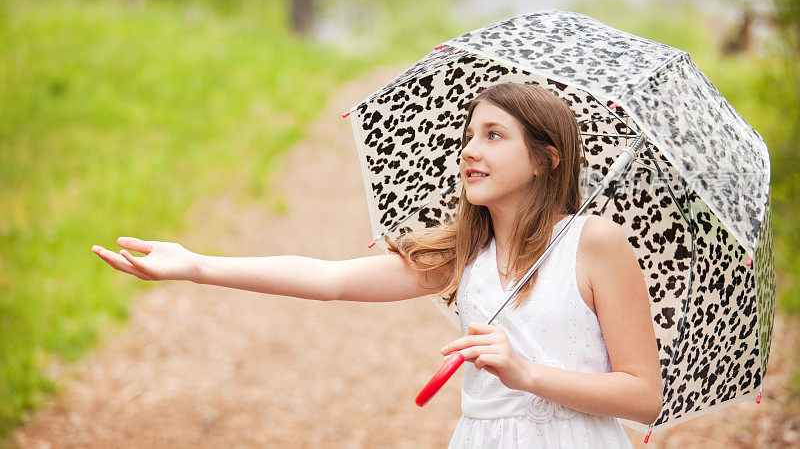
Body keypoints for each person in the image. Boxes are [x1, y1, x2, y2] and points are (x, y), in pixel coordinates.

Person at [92, 82, 662, 448]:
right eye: (468, 136)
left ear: (546, 158)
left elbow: (643, 396)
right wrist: (197, 265)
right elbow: (330, 278)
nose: (470, 150)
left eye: (494, 136)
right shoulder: (465, 255)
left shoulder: (593, 243)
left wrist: (526, 373)